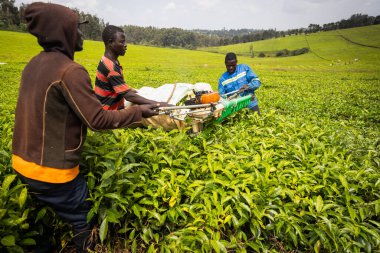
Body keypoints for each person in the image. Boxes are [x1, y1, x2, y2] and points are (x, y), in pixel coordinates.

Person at [12, 2, 158, 252]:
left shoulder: (33, 64)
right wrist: (137, 113)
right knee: (85, 219)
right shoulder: (70, 70)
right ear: (63, 32)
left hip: (22, 164)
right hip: (52, 172)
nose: (81, 35)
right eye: (76, 29)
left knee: (41, 228)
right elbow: (97, 120)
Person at [95, 25, 167, 110]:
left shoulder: (107, 60)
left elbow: (117, 87)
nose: (125, 45)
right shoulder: (111, 68)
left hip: (105, 106)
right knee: (145, 110)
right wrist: (159, 104)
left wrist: (130, 90)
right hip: (109, 112)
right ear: (110, 43)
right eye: (122, 42)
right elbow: (129, 96)